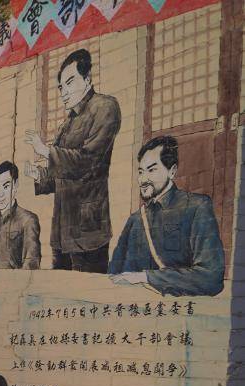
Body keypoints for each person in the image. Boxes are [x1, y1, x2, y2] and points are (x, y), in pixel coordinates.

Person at [26, 49, 120, 273]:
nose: (64, 92)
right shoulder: (66, 124)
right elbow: (59, 174)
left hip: (89, 231)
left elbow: (89, 161)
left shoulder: (105, 107)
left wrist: (47, 151)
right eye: (61, 87)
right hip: (62, 232)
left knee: (86, 299)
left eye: (70, 82)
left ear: (87, 79)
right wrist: (39, 175)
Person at [108, 135, 225, 297]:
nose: (143, 179)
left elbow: (211, 277)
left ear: (172, 171)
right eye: (141, 171)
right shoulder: (136, 219)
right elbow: (114, 274)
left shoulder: (196, 207)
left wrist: (146, 277)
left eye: (152, 170)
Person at [0, 161, 41, 270]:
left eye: (6, 187)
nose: (0, 194)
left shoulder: (28, 220)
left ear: (15, 185)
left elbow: (31, 266)